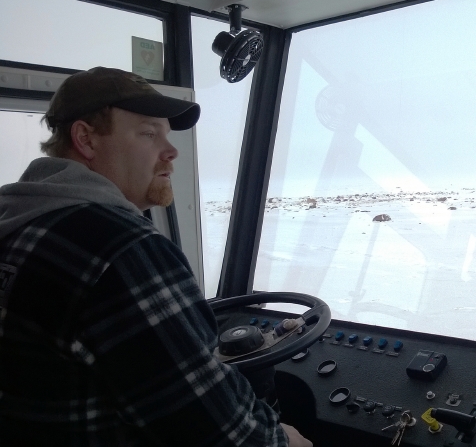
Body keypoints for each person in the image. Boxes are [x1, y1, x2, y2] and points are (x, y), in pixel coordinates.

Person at [0, 67, 312, 447]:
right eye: (149, 133)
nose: (171, 150)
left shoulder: (19, 226)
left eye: (167, 134)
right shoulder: (121, 247)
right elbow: (218, 432)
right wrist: (285, 439)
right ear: (86, 139)